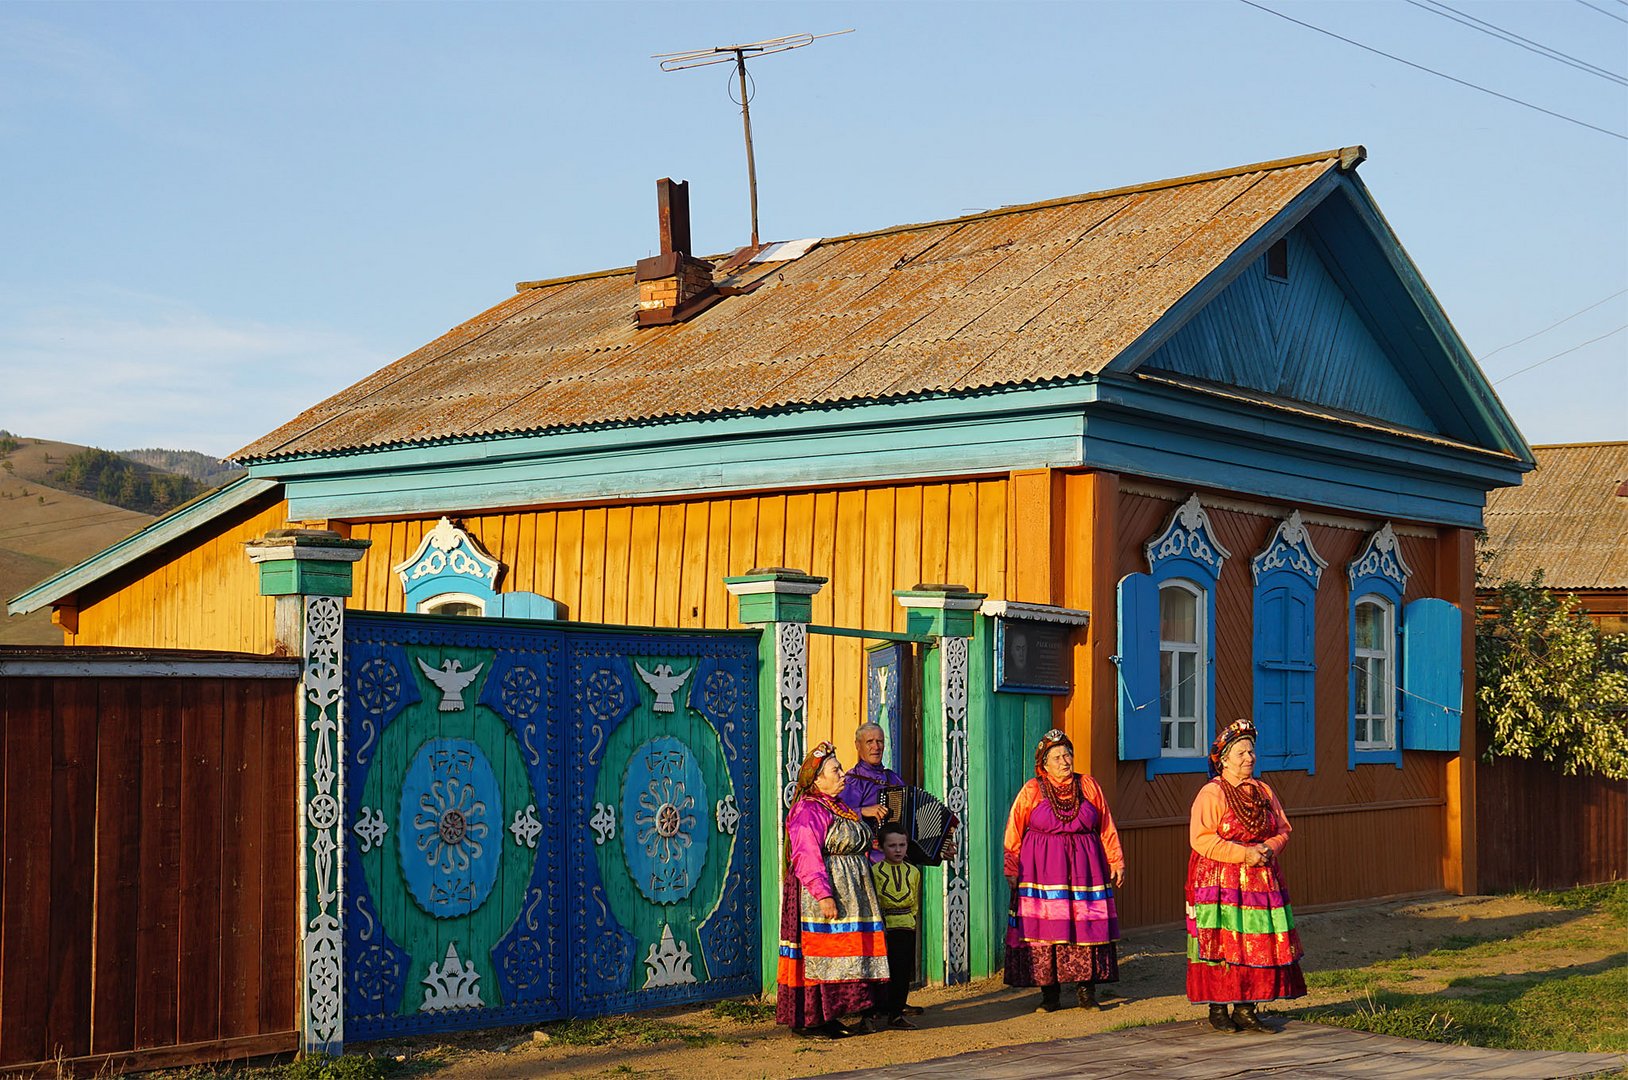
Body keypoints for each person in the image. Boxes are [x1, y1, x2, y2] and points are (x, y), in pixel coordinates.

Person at [1186, 718, 1306, 1034]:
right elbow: (1201, 839)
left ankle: (1246, 1007)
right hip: (1220, 881)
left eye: (1251, 752)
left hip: (1260, 880)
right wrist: (1243, 853)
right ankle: (1218, 1008)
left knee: (1254, 942)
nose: (1248, 758)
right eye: (1241, 753)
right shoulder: (1212, 794)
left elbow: (1283, 829)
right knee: (1225, 941)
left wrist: (1268, 847)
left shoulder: (1263, 790)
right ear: (1224, 759)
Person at [1002, 729, 1125, 1011]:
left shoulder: (1089, 785)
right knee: (1046, 929)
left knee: (1086, 926)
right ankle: (1050, 997)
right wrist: (1011, 867)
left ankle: (1086, 993)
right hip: (1041, 871)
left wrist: (1116, 860)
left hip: (1085, 869)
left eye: (1067, 754)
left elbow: (1105, 825)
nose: (1064, 761)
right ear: (1044, 764)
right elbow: (1014, 831)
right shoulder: (1032, 790)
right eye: (1056, 757)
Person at [776, 741, 890, 1038]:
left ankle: (830, 1015)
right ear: (817, 779)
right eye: (835, 770)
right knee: (820, 953)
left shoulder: (839, 806)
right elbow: (805, 854)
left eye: (840, 768)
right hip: (821, 893)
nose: (843, 774)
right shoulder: (808, 809)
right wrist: (823, 894)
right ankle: (810, 1020)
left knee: (840, 952)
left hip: (851, 892)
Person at [869, 823, 922, 1030]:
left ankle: (896, 1014)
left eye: (902, 845)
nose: (898, 850)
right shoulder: (875, 871)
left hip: (906, 927)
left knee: (901, 972)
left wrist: (911, 920)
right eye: (892, 846)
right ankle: (875, 1010)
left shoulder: (913, 872)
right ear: (881, 847)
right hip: (884, 927)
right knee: (881, 972)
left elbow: (915, 903)